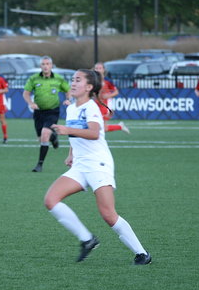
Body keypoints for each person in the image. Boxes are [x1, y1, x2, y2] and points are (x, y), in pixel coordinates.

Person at [45, 69, 151, 265]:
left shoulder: (91, 107)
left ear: (88, 87)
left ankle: (142, 253)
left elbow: (94, 133)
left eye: (78, 80)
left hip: (98, 163)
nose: (73, 83)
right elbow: (76, 135)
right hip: (80, 164)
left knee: (108, 214)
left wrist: (67, 130)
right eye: (72, 79)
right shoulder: (71, 108)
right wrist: (71, 154)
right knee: (51, 200)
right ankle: (87, 240)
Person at [23, 56, 71, 172]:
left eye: (48, 64)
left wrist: (68, 99)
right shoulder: (34, 78)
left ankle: (39, 164)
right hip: (38, 112)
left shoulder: (58, 78)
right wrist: (31, 103)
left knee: (45, 134)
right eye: (43, 64)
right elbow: (26, 93)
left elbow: (68, 90)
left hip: (52, 111)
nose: (45, 66)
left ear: (51, 65)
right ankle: (53, 136)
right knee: (41, 138)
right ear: (40, 66)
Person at [93, 62, 129, 134]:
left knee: (102, 128)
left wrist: (108, 96)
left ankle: (119, 126)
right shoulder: (92, 81)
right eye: (96, 68)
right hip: (96, 104)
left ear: (103, 70)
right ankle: (120, 126)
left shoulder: (107, 81)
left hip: (105, 105)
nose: (98, 70)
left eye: (100, 68)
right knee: (99, 127)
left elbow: (116, 92)